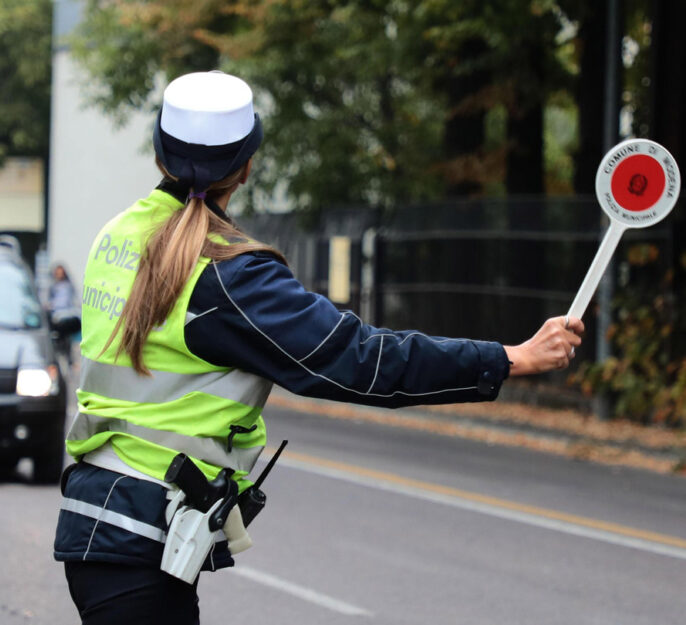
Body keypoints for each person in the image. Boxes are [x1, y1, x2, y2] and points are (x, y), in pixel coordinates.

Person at [54, 71, 584, 624]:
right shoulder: (229, 275)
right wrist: (509, 357)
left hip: (99, 520)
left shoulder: (115, 235)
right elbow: (358, 359)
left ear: (159, 153)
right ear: (248, 164)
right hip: (140, 538)